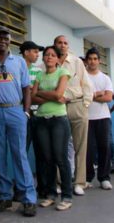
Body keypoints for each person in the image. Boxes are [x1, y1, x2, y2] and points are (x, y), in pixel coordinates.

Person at [0, 26, 37, 217]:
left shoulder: (18, 62)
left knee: (19, 155)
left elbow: (27, 88)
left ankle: (28, 199)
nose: (2, 40)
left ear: (10, 41)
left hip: (16, 110)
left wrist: (25, 112)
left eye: (6, 38)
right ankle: (4, 196)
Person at [32, 46, 73, 211]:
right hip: (41, 120)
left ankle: (67, 196)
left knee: (60, 158)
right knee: (47, 159)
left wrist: (42, 92)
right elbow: (33, 98)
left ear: (57, 59)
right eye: (46, 55)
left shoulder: (63, 73)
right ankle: (50, 194)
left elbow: (59, 94)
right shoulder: (39, 75)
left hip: (58, 120)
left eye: (52, 55)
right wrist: (52, 95)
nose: (49, 57)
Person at [54, 35, 93, 195]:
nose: (63, 45)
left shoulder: (77, 62)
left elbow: (87, 84)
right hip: (57, 107)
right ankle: (59, 182)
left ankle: (79, 182)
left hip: (77, 106)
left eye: (65, 43)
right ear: (54, 45)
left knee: (80, 146)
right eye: (59, 43)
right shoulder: (48, 63)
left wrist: (85, 105)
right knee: (58, 147)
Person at [18, 41, 45, 200]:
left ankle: (41, 188)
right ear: (26, 52)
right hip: (22, 116)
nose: (37, 55)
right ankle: (20, 189)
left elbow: (39, 94)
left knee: (41, 153)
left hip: (39, 116)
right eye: (35, 51)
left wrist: (30, 94)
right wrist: (30, 93)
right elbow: (19, 94)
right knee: (21, 153)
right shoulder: (16, 68)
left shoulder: (38, 72)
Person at [85, 48, 113, 190]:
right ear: (86, 60)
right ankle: (88, 178)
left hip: (103, 117)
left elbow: (108, 97)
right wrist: (97, 94)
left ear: (99, 61)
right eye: (90, 59)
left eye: (95, 59)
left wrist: (90, 96)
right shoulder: (83, 77)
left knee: (105, 147)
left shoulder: (105, 78)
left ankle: (104, 178)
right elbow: (81, 96)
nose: (93, 61)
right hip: (87, 118)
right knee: (88, 149)